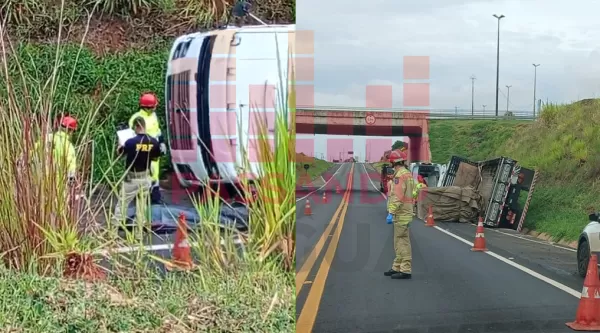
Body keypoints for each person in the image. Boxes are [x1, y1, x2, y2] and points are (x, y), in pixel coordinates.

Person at [113, 116, 161, 224]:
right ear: (144, 126)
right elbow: (155, 158)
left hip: (131, 179)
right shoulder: (153, 142)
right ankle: (138, 236)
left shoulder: (130, 142)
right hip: (145, 178)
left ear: (136, 126)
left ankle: (113, 234)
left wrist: (120, 145)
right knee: (141, 208)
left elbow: (120, 154)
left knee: (122, 206)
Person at [128, 92, 166, 204]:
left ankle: (155, 198)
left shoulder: (153, 116)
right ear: (149, 107)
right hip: (143, 152)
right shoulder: (137, 118)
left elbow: (158, 132)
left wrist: (162, 142)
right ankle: (140, 199)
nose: (155, 108)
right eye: (154, 106)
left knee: (154, 175)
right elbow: (132, 137)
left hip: (154, 152)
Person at [384, 150, 414, 279]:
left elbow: (397, 196)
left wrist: (391, 212)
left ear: (392, 162)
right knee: (400, 241)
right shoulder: (408, 174)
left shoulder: (399, 176)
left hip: (401, 213)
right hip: (406, 212)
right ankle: (397, 266)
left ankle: (405, 269)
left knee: (401, 242)